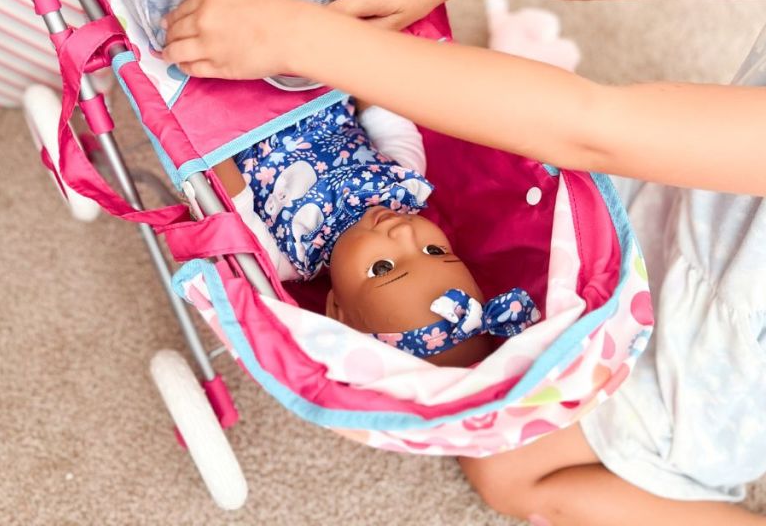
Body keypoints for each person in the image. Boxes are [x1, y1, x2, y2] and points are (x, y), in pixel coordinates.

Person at [160, 0, 766, 525]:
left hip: (728, 347)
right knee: (543, 282)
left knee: (508, 472)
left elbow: (596, 129)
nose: (406, 238)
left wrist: (300, 40)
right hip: (688, 206)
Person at [211, 97, 539, 368]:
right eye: (433, 251)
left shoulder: (282, 257)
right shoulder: (405, 181)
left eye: (383, 267)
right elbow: (378, 102)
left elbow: (227, 193)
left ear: (336, 308)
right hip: (310, 80)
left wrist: (204, 123)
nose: (402, 234)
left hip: (228, 115)